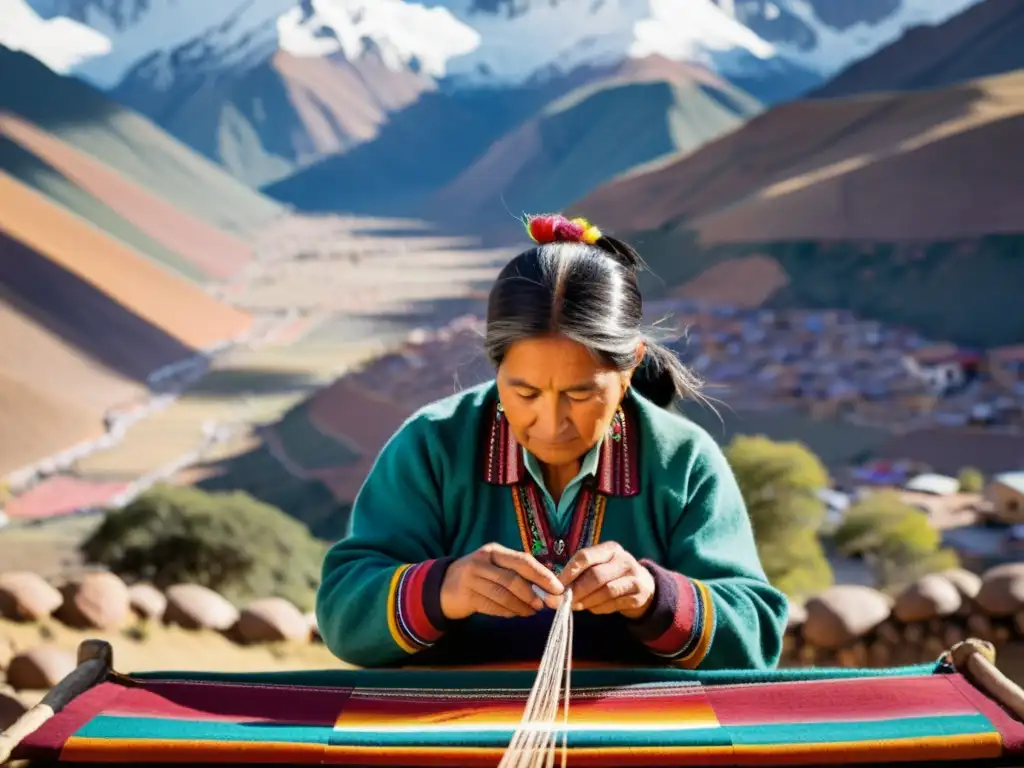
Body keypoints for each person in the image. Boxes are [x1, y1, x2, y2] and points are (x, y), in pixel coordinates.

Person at [316, 213, 789, 670]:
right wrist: (444, 588)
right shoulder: (432, 447)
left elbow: (757, 637)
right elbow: (342, 613)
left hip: (633, 736)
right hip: (454, 733)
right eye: (524, 392)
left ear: (629, 368)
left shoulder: (683, 460)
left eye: (580, 393)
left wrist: (653, 595)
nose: (551, 422)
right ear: (496, 366)